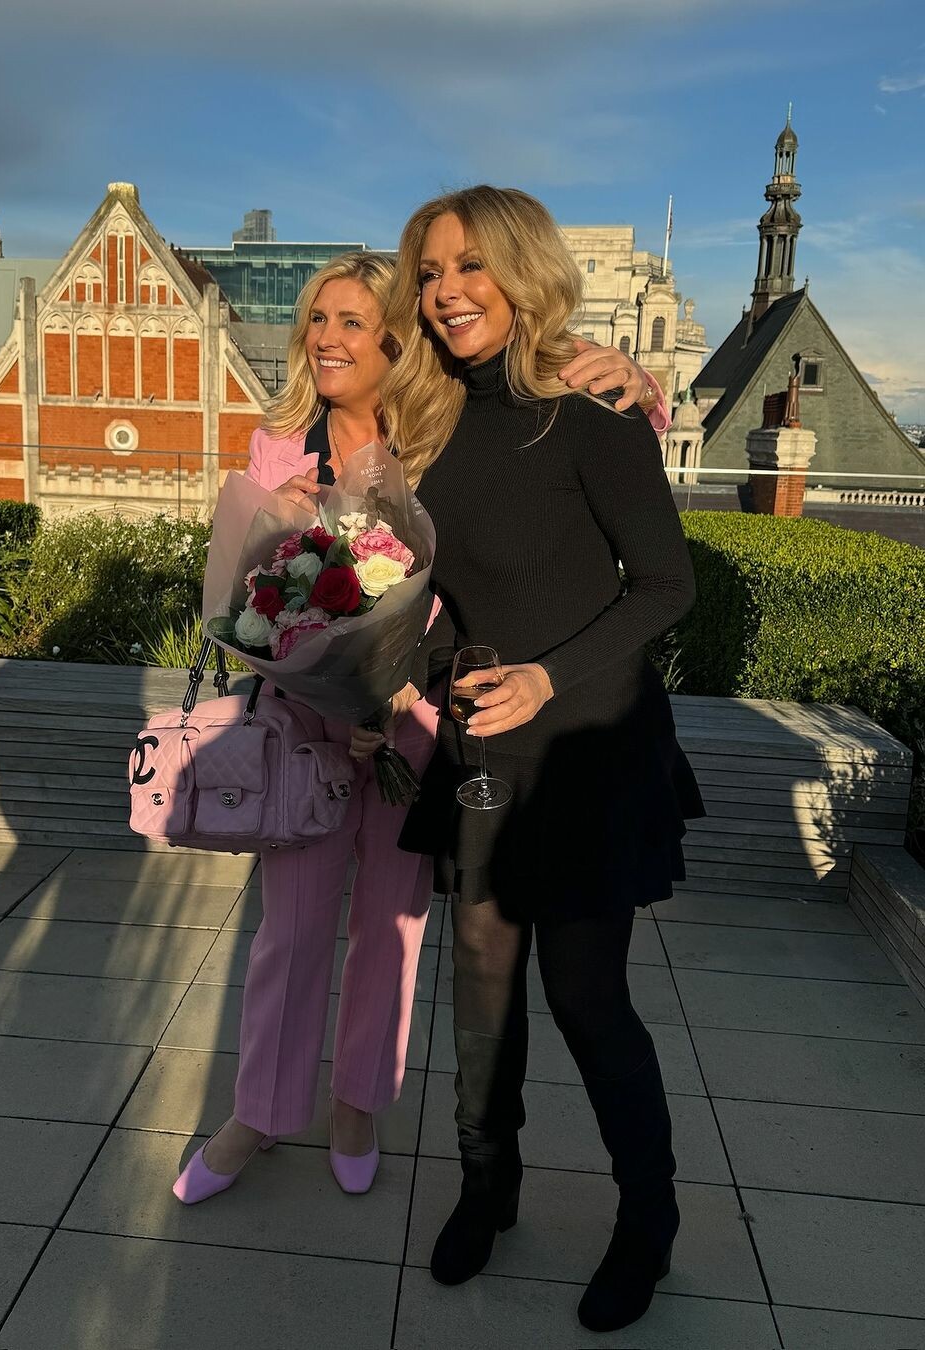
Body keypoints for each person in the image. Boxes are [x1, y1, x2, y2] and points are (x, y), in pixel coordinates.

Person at [173, 250, 666, 1204]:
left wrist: (639, 380)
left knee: (391, 932)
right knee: (291, 931)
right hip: (308, 728)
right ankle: (260, 1114)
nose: (325, 339)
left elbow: (583, 437)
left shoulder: (443, 435)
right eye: (317, 320)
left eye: (351, 322)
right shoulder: (276, 447)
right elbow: (247, 606)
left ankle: (358, 1105)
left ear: (398, 342)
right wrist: (282, 559)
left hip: (419, 729)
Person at [381, 188, 705, 1335]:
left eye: (469, 265)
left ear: (521, 273)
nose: (447, 290)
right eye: (429, 271)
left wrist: (544, 679)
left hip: (585, 749)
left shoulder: (590, 409)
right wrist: (407, 658)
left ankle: (648, 1221)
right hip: (483, 745)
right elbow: (443, 595)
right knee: (479, 991)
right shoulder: (423, 424)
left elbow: (666, 585)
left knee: (584, 996)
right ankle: (489, 1188)